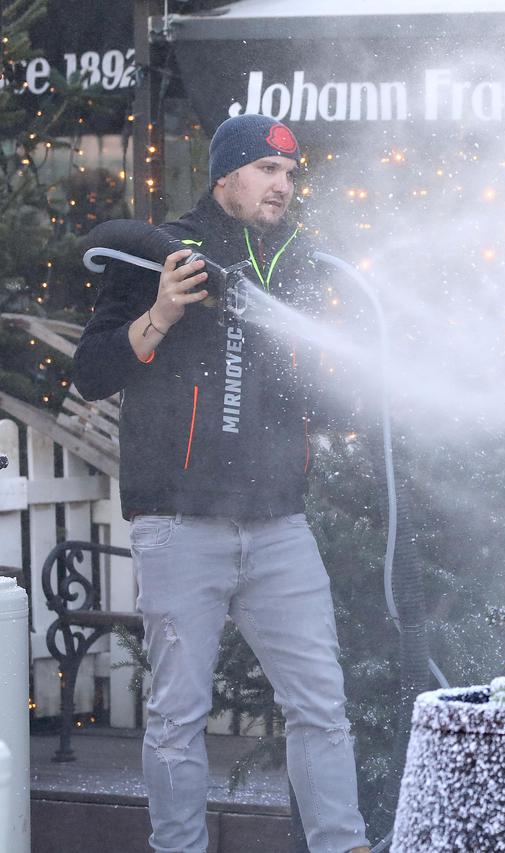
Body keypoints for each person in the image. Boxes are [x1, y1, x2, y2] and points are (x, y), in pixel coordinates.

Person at [73, 113, 371, 853]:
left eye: (292, 174)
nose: (283, 186)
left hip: (278, 524)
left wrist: (348, 380)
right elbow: (90, 372)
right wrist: (163, 311)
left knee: (322, 707)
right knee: (177, 714)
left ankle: (342, 844)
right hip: (178, 523)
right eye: (268, 171)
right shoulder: (157, 254)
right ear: (226, 175)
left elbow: (326, 403)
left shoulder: (299, 265)